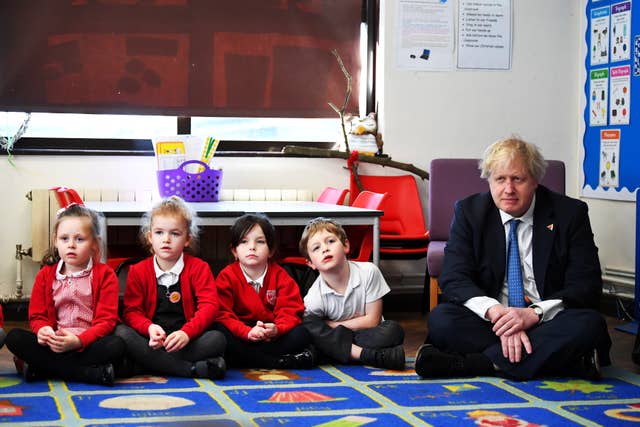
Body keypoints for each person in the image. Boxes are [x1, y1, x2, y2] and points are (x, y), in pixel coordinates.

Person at [415, 137, 612, 381]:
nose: (508, 189)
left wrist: (534, 314)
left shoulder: (570, 214)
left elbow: (586, 285)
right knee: (442, 319)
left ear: (535, 181)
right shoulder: (469, 212)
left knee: (588, 324)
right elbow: (454, 278)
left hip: (547, 319)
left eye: (518, 179)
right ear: (489, 180)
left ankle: (479, 363)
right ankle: (562, 360)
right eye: (500, 179)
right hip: (494, 322)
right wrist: (497, 312)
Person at [5, 204, 124, 385]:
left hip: (88, 344)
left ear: (94, 243)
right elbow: (38, 316)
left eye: (80, 239)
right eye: (64, 238)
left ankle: (42, 369)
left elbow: (106, 321)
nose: (71, 245)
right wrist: (43, 330)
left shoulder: (105, 275)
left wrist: (78, 341)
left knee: (117, 345)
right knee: (14, 337)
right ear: (55, 240)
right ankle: (88, 374)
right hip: (55, 343)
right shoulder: (45, 275)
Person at [115, 196, 226, 380]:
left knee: (218, 338)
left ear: (187, 239)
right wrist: (149, 328)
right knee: (121, 333)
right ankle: (190, 369)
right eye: (159, 233)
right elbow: (132, 312)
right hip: (151, 340)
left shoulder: (199, 268)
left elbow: (210, 307)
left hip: (186, 339)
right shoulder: (138, 271)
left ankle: (146, 364)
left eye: (175, 234)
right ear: (150, 237)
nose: (166, 239)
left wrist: (186, 333)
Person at [300, 217, 406, 370]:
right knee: (307, 326)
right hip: (353, 339)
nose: (325, 249)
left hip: (368, 333)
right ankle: (368, 355)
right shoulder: (314, 297)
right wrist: (346, 327)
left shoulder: (369, 272)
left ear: (346, 246)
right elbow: (312, 328)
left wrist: (333, 326)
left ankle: (337, 353)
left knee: (393, 331)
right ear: (310, 263)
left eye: (330, 241)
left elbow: (372, 321)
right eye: (316, 248)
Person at [213, 213, 315, 369]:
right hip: (242, 333)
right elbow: (223, 314)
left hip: (271, 335)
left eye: (260, 242)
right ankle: (276, 361)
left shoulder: (281, 276)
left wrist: (277, 329)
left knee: (302, 334)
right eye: (244, 242)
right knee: (218, 333)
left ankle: (250, 359)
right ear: (234, 251)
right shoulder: (226, 276)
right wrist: (247, 332)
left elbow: (290, 310)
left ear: (271, 250)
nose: (252, 247)